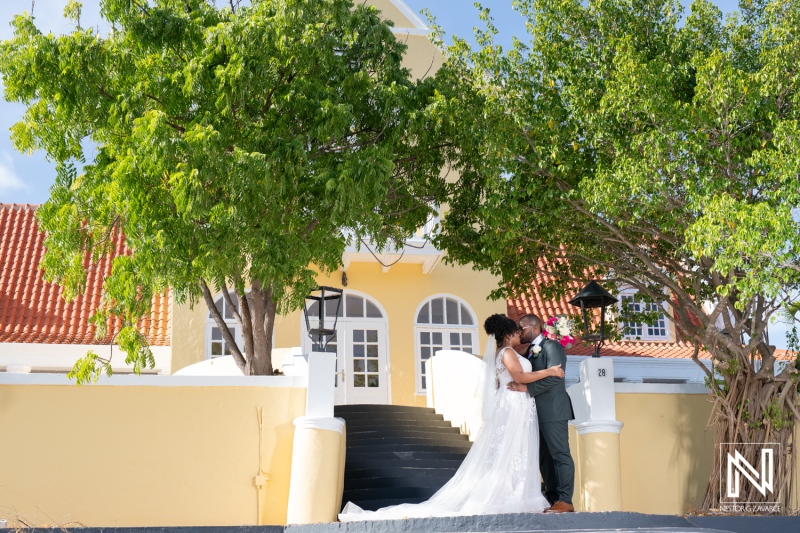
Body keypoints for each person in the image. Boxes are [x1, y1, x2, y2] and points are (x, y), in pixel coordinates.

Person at [338, 314, 564, 521]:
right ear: (507, 334)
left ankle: (515, 491)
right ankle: (512, 495)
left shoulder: (505, 353)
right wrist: (549, 371)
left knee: (513, 449)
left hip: (515, 404)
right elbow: (519, 375)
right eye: (516, 332)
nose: (519, 336)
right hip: (513, 405)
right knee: (511, 449)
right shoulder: (506, 353)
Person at [508, 313, 576, 513]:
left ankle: (566, 500)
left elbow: (555, 378)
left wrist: (527, 389)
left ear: (535, 328)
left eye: (523, 328)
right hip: (534, 412)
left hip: (554, 410)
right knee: (544, 458)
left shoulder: (552, 346)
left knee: (560, 454)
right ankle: (552, 498)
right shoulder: (529, 351)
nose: (520, 332)